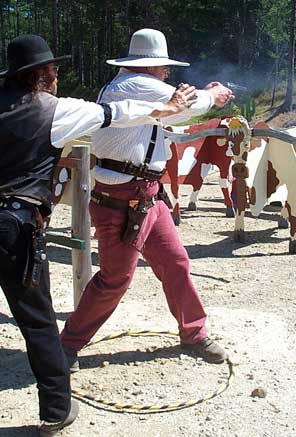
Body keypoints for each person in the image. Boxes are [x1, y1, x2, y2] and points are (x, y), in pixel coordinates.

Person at [0, 34, 197, 436]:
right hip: (14, 225)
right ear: (39, 76)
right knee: (38, 323)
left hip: (19, 219)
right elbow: (116, 112)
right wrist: (172, 106)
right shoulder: (54, 111)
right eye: (52, 70)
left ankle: (193, 331)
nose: (57, 75)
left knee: (171, 263)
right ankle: (56, 411)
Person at [60, 28, 234, 370]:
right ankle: (66, 346)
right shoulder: (136, 85)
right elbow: (188, 107)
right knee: (115, 279)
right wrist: (213, 94)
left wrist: (203, 97)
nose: (166, 72)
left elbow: (175, 110)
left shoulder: (137, 86)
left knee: (176, 263)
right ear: (149, 66)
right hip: (122, 199)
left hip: (146, 197)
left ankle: (194, 332)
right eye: (162, 66)